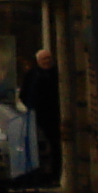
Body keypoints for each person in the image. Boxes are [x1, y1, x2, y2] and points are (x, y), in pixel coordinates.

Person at [21, 47, 62, 184]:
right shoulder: (32, 75)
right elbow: (24, 94)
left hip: (54, 115)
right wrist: (32, 107)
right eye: (44, 59)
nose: (47, 61)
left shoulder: (57, 74)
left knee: (55, 146)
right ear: (38, 61)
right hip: (38, 115)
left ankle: (55, 174)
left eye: (49, 58)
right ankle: (39, 176)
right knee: (38, 146)